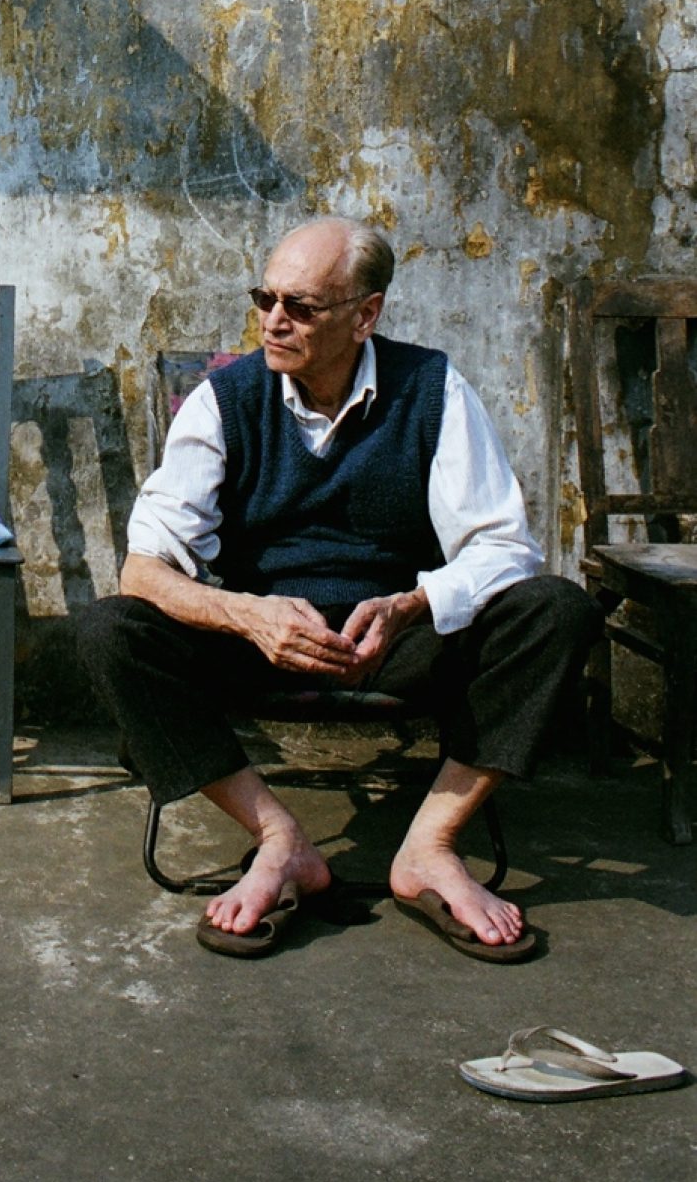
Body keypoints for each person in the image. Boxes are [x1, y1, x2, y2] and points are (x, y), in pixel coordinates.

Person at [80, 217, 600, 958]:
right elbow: (145, 566)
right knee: (109, 629)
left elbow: (503, 546)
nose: (273, 319)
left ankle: (429, 847)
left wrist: (413, 603)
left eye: (300, 305)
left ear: (366, 315)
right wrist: (246, 614)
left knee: (559, 609)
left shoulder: (432, 389)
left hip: (397, 639)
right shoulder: (223, 401)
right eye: (265, 298)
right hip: (263, 638)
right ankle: (278, 836)